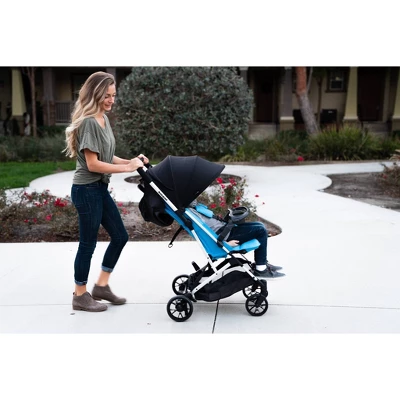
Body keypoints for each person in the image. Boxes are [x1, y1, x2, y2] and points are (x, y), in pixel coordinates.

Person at [64, 71, 148, 312]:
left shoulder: (103, 119)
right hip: (86, 190)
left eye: (114, 95)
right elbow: (93, 164)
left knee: (120, 236)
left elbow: (106, 156)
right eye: (107, 96)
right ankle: (80, 295)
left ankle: (101, 286)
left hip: (99, 188)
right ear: (96, 95)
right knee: (87, 244)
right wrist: (127, 168)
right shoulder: (89, 122)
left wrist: (132, 162)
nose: (112, 100)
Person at [189, 201, 285, 280]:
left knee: (260, 225)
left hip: (225, 229)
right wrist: (225, 243)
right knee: (260, 230)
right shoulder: (192, 213)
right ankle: (261, 268)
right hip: (225, 237)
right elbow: (205, 233)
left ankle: (262, 262)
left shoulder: (194, 208)